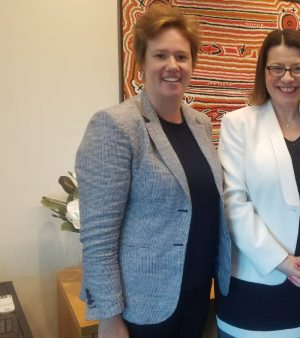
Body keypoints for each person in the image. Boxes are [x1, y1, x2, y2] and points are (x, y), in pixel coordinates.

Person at [75, 4, 231, 338]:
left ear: (193, 64)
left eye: (182, 56)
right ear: (141, 62)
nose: (172, 66)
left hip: (197, 293)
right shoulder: (116, 125)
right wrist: (109, 317)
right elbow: (98, 238)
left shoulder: (200, 124)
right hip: (143, 306)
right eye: (160, 55)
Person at [216, 29, 300, 338]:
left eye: (297, 67)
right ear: (264, 72)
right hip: (252, 283)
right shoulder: (238, 125)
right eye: (277, 67)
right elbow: (234, 202)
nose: (287, 77)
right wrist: (282, 262)